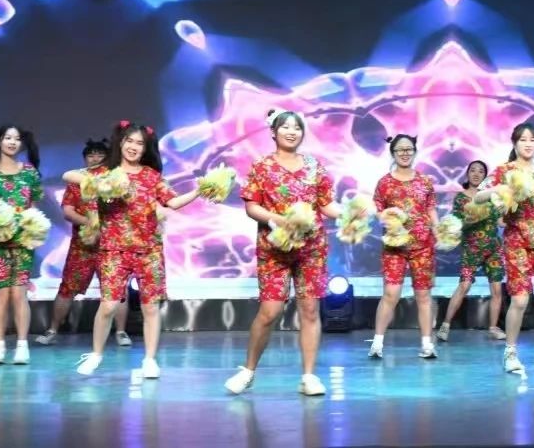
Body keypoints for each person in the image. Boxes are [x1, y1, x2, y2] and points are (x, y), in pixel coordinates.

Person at [70, 121, 203, 379]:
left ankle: (150, 360)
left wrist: (200, 189)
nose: (133, 147)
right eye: (129, 141)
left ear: (145, 148)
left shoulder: (151, 176)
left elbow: (173, 201)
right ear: (120, 142)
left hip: (148, 250)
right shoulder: (106, 172)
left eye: (139, 143)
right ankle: (96, 354)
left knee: (150, 307)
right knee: (108, 305)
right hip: (113, 250)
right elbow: (69, 176)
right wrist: (102, 183)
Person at [226, 110, 340, 396]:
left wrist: (352, 214)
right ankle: (248, 371)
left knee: (310, 310)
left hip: (311, 248)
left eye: (297, 127)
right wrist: (277, 219)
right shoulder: (262, 166)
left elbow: (326, 205)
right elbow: (252, 206)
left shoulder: (314, 166)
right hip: (274, 249)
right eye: (285, 127)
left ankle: (309, 377)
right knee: (270, 312)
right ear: (273, 132)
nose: (291, 131)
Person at [484, 123, 534, 374]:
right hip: (517, 238)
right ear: (514, 142)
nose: (528, 144)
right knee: (519, 299)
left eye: (532, 140)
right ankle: (510, 352)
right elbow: (478, 197)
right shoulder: (504, 171)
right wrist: (500, 190)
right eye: (523, 139)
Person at [37, 138, 131, 347]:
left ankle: (121, 332)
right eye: (91, 155)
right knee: (67, 288)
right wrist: (91, 223)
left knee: (118, 290)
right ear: (85, 158)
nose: (95, 158)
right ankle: (52, 330)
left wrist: (108, 226)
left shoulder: (115, 179)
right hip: (83, 246)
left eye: (100, 154)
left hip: (111, 245)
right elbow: (68, 212)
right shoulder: (76, 180)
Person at [0, 125, 42, 365]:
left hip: (23, 240)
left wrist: (31, 226)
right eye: (8, 138)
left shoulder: (30, 173)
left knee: (19, 293)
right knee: (2, 294)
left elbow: (33, 206)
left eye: (17, 138)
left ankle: (22, 346)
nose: (13, 142)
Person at [369, 134, 440, 359]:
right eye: (400, 149)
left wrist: (439, 230)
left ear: (415, 151)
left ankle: (427, 344)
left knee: (424, 296)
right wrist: (386, 218)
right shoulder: (384, 183)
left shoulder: (425, 181)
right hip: (394, 246)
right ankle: (377, 343)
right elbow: (377, 211)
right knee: (391, 294)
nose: (405, 153)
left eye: (409, 149)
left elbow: (431, 209)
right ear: (393, 153)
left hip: (423, 245)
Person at [437, 161, 507, 342]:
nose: (476, 174)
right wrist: (473, 217)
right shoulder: (461, 198)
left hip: (493, 248)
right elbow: (457, 224)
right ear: (467, 174)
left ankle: (493, 327)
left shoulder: (492, 196)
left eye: (481, 171)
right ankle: (445, 325)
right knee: (464, 285)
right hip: (471, 249)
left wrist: (510, 211)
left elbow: (500, 222)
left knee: (497, 289)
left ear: (485, 176)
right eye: (473, 170)